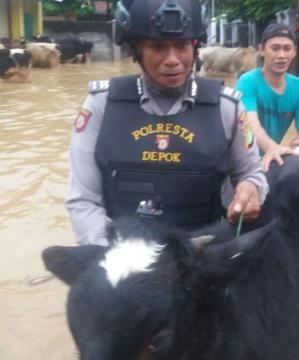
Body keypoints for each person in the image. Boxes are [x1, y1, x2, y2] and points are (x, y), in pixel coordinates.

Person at [66, 0, 268, 246]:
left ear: (195, 47)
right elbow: (83, 200)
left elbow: (251, 172)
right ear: (136, 49)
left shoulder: (228, 107)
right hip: (123, 259)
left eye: (182, 45)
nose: (173, 59)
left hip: (202, 256)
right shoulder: (100, 106)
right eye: (157, 46)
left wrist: (251, 188)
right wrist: (110, 257)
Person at [235, 23, 299, 171]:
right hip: (240, 159)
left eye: (287, 48)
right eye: (275, 48)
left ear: (294, 52)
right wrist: (272, 148)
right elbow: (250, 126)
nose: (281, 55)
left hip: (272, 158)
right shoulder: (247, 82)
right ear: (262, 50)